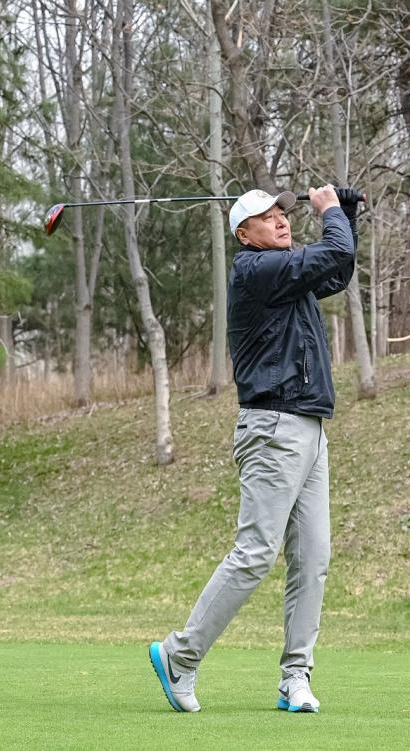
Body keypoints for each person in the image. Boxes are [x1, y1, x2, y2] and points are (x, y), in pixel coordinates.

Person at [149, 184, 359, 714]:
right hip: (272, 428)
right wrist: (331, 211)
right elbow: (334, 251)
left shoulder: (285, 275)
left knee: (312, 558)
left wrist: (347, 212)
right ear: (245, 236)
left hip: (308, 428)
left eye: (281, 213)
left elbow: (338, 269)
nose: (281, 221)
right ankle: (180, 655)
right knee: (255, 553)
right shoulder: (256, 271)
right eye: (266, 218)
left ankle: (295, 678)